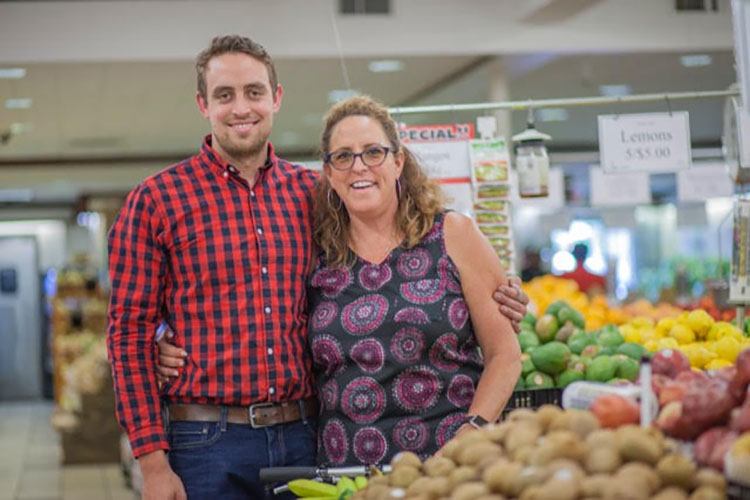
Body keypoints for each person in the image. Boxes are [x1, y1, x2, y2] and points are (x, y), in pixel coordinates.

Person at [108, 35, 529, 499]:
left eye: (253, 91)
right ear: (203, 104)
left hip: (306, 437)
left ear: (276, 98)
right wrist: (151, 459)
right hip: (207, 441)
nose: (240, 107)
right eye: (223, 95)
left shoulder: (310, 198)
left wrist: (504, 294)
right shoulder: (157, 200)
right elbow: (127, 332)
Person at [307, 95, 521, 463]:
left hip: (450, 467)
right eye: (343, 156)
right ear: (329, 173)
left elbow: (505, 354)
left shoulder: (452, 234)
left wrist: (472, 433)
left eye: (373, 152)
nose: (358, 166)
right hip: (346, 475)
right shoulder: (316, 252)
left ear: (398, 161)